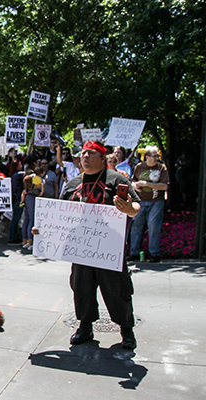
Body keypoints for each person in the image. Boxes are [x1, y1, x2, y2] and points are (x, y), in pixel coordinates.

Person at [36, 140, 141, 350]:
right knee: (81, 287)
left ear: (103, 158)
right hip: (81, 249)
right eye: (83, 153)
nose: (85, 157)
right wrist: (42, 231)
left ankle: (126, 330)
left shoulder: (116, 179)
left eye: (91, 154)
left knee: (117, 289)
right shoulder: (73, 184)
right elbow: (59, 215)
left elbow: (136, 208)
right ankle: (85, 326)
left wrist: (129, 207)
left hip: (110, 249)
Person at [128, 146, 169, 263]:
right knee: (136, 226)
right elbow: (133, 181)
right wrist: (135, 185)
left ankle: (154, 253)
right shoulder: (139, 167)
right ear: (147, 157)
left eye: (158, 156)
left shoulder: (161, 168)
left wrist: (147, 184)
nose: (157, 158)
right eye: (155, 156)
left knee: (153, 227)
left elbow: (165, 186)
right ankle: (134, 252)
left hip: (156, 201)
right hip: (140, 200)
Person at [21, 166, 44, 250]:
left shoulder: (26, 186)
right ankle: (30, 243)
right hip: (32, 198)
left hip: (27, 199)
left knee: (26, 220)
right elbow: (41, 190)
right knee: (32, 220)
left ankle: (25, 241)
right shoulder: (36, 183)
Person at [7, 161, 24, 245]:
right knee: (15, 219)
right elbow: (27, 173)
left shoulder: (14, 175)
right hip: (17, 199)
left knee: (15, 219)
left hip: (15, 199)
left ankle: (13, 236)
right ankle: (12, 237)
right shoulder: (18, 175)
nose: (22, 165)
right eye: (20, 164)